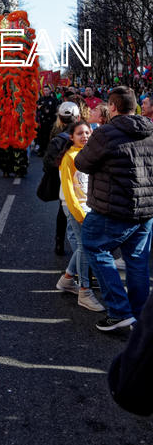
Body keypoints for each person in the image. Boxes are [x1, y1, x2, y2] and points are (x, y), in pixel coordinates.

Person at [75, 86, 153, 332]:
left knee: (93, 246)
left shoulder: (106, 133)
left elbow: (82, 162)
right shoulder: (151, 130)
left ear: (113, 107)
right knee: (137, 261)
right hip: (146, 209)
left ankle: (119, 311)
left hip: (113, 208)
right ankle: (138, 315)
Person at [55, 121, 104, 312]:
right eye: (79, 133)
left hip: (90, 208)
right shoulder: (69, 157)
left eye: (87, 133)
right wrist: (79, 214)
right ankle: (84, 291)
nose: (84, 136)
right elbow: (68, 191)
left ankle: (67, 279)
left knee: (84, 248)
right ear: (71, 137)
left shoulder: (90, 154)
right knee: (85, 247)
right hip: (76, 209)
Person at [42, 101, 80, 255]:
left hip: (63, 182)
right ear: (77, 117)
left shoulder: (57, 138)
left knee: (63, 210)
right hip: (82, 182)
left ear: (60, 118)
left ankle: (59, 242)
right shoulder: (85, 135)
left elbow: (47, 164)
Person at [36, 84, 58, 155]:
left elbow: (53, 110)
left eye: (47, 90)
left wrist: (43, 109)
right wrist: (43, 109)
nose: (45, 91)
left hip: (50, 122)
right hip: (42, 122)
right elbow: (37, 107)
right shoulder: (41, 99)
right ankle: (41, 150)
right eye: (44, 90)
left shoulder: (53, 99)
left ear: (50, 91)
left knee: (50, 137)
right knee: (41, 137)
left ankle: (49, 152)